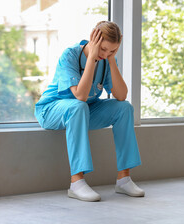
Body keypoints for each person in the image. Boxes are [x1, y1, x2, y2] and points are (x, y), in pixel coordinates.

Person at [34, 21, 144, 202]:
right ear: (94, 37)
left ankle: (124, 180)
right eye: (103, 49)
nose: (106, 54)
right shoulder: (70, 55)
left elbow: (121, 95)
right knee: (78, 105)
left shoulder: (107, 59)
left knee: (125, 108)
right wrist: (92, 57)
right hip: (52, 110)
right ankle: (77, 183)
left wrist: (111, 60)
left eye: (112, 51)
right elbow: (81, 95)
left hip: (83, 111)